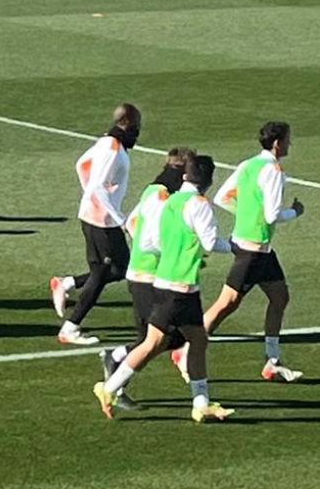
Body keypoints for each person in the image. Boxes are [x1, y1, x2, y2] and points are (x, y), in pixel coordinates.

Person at [93, 155, 232, 424]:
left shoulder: (171, 201)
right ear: (209, 180)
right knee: (154, 343)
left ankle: (201, 403)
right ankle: (108, 389)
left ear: (185, 177)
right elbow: (212, 242)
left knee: (198, 340)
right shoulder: (199, 204)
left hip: (173, 284)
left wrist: (175, 253)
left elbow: (150, 240)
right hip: (179, 287)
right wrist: (234, 246)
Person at [192, 121, 306, 383]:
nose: (290, 144)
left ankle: (272, 361)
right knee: (225, 305)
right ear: (277, 143)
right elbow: (272, 214)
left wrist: (246, 216)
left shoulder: (247, 165)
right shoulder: (274, 171)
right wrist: (296, 212)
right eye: (288, 139)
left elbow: (223, 198)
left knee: (280, 297)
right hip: (253, 251)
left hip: (260, 250)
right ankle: (187, 350)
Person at [99, 147, 197, 412]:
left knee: (163, 337)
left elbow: (131, 222)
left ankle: (117, 361)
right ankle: (115, 382)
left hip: (148, 274)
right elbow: (152, 235)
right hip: (148, 277)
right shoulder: (163, 197)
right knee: (155, 340)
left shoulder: (153, 191)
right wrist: (171, 254)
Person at [53, 103, 142, 345]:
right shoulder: (113, 147)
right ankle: (71, 327)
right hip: (102, 220)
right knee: (103, 272)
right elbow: (98, 187)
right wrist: (119, 217)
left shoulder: (107, 141)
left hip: (98, 216)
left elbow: (81, 165)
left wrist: (90, 193)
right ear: (131, 124)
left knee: (119, 267)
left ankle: (67, 283)